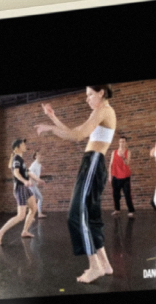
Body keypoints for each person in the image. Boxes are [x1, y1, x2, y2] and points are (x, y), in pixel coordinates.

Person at [36, 85, 117, 283]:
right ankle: (104, 264)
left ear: (101, 92)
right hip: (93, 164)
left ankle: (94, 267)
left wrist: (49, 128)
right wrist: (53, 118)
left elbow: (76, 136)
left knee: (76, 214)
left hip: (93, 163)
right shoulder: (103, 112)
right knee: (91, 216)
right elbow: (74, 132)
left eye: (90, 94)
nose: (87, 99)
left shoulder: (103, 110)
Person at [0, 138, 37, 245]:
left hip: (24, 187)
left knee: (34, 208)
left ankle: (25, 231)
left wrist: (38, 179)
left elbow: (27, 172)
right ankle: (0, 232)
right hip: (20, 188)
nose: (24, 146)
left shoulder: (20, 159)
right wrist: (24, 181)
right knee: (21, 215)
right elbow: (16, 173)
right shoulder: (16, 159)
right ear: (18, 148)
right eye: (23, 144)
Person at [110, 137, 134, 215]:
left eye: (123, 141)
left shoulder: (128, 152)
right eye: (120, 141)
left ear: (126, 143)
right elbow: (111, 164)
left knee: (127, 194)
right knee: (116, 194)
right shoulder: (114, 152)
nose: (122, 143)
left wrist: (123, 157)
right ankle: (117, 209)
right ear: (118, 142)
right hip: (115, 176)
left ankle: (131, 211)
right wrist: (110, 176)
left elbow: (127, 163)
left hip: (125, 176)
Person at [28, 151, 47, 218]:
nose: (40, 156)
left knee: (40, 198)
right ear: (35, 156)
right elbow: (30, 173)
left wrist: (38, 181)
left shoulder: (39, 164)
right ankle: (31, 215)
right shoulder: (34, 165)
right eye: (39, 154)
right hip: (31, 185)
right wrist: (37, 181)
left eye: (41, 154)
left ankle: (39, 213)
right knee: (34, 200)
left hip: (34, 185)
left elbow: (38, 172)